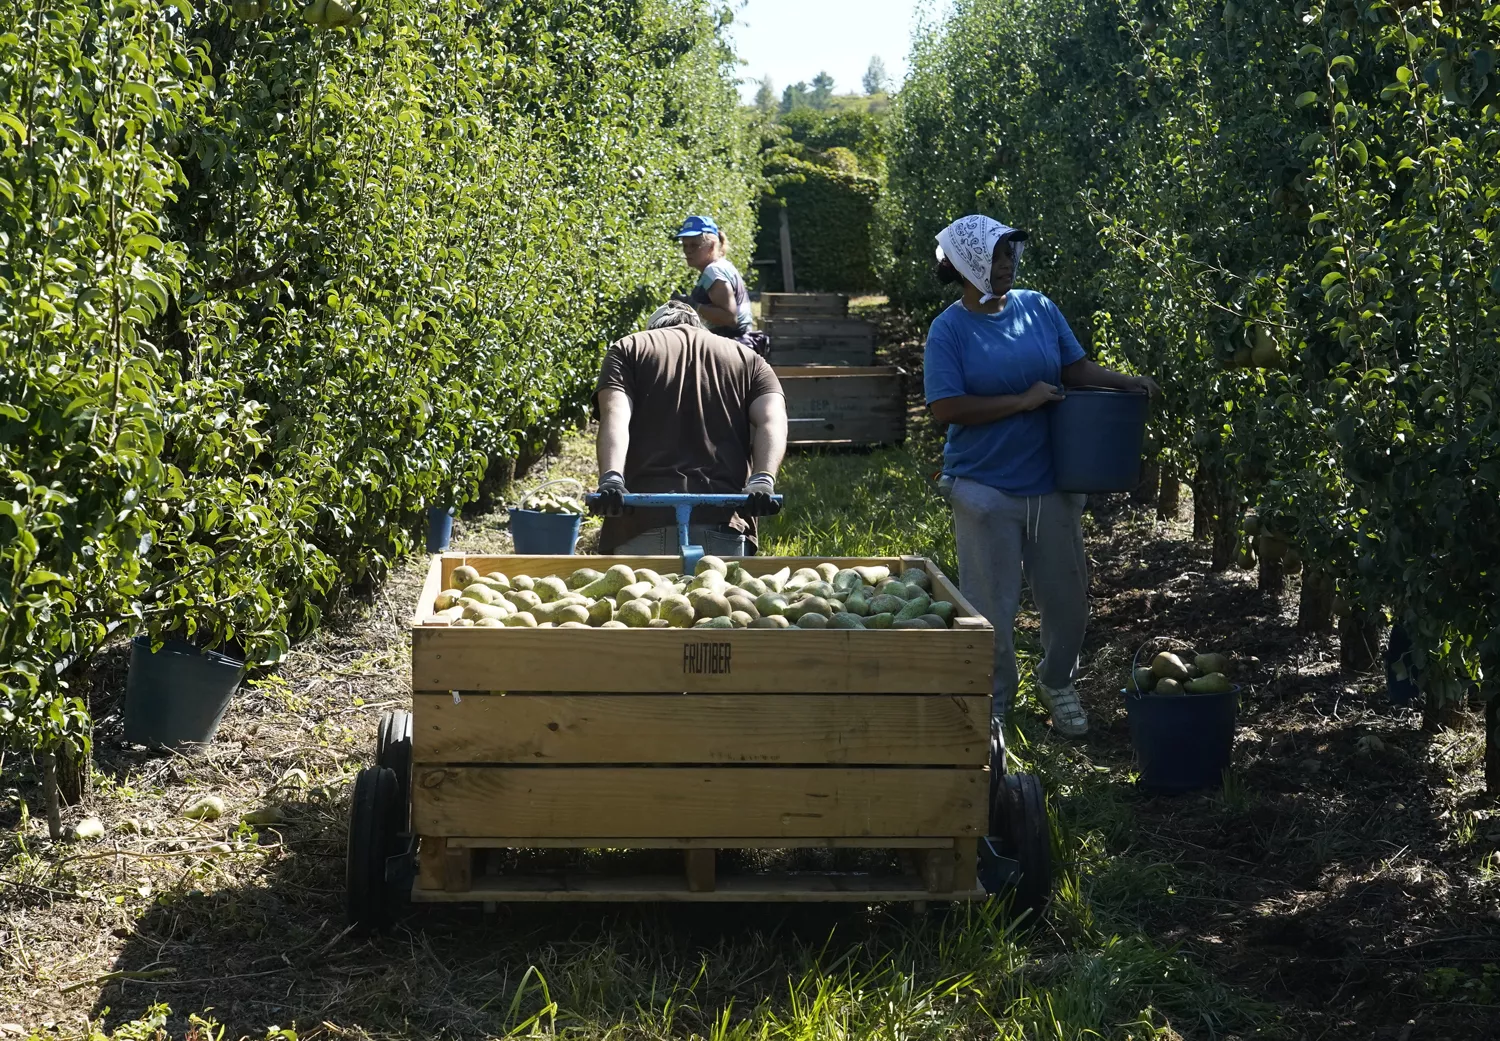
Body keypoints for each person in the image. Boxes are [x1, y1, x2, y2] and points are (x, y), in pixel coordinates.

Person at [924, 214, 1160, 738]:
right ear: (965, 264)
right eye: (992, 257)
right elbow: (946, 407)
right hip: (984, 486)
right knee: (992, 608)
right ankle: (996, 702)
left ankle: (1057, 682)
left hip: (1053, 481)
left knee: (1069, 599)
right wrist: (1022, 401)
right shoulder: (950, 329)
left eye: (1009, 255)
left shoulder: (1038, 308)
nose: (1004, 265)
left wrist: (1128, 384)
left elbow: (1075, 369)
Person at [593, 300, 787, 555]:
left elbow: (615, 414)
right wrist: (762, 480)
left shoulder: (629, 348)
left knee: (639, 594)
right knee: (721, 595)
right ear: (700, 326)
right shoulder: (749, 359)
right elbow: (772, 419)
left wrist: (612, 478)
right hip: (724, 522)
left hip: (641, 522)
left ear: (653, 329)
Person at [672, 215, 772, 359]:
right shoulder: (721, 267)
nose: (687, 251)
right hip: (733, 350)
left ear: (711, 246)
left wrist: (691, 305)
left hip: (729, 353)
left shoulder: (713, 272)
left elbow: (729, 317)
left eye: (694, 245)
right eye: (685, 245)